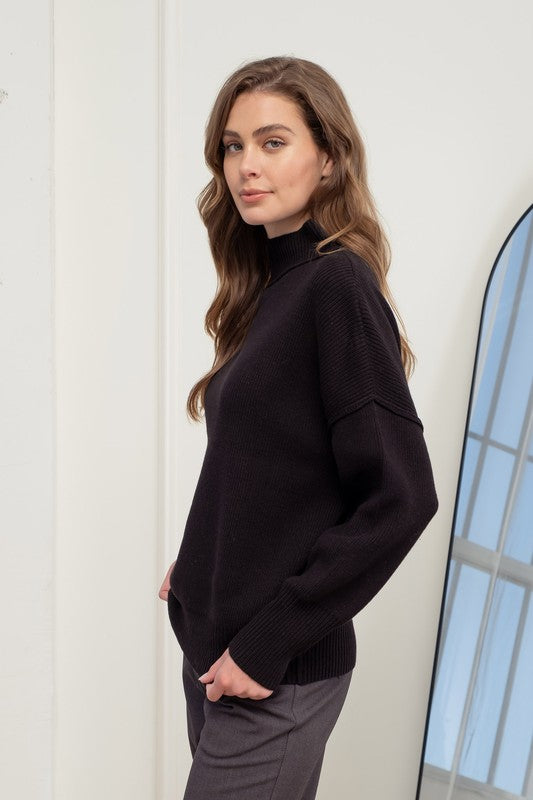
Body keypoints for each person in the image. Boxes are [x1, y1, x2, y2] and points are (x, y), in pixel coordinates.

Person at [158, 55, 438, 800]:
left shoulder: (335, 283)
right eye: (233, 146)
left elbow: (402, 496)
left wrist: (268, 641)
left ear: (330, 157)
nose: (245, 165)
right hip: (218, 656)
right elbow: (268, 466)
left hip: (271, 670)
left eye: (272, 142)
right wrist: (202, 563)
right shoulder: (268, 290)